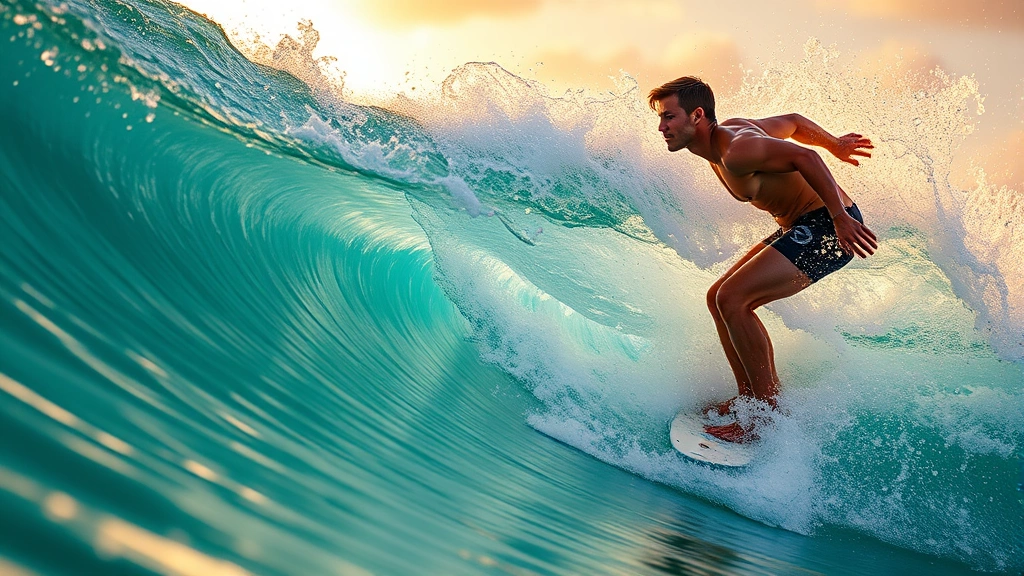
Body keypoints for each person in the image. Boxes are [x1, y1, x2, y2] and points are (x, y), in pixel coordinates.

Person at [650, 76, 878, 443]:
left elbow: (806, 156)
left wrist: (840, 217)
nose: (662, 127)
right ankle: (750, 398)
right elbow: (794, 121)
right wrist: (835, 142)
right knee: (717, 297)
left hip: (828, 228)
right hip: (804, 226)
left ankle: (765, 415)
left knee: (733, 299)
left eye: (669, 117)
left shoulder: (737, 149)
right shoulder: (724, 142)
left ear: (696, 115)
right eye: (660, 119)